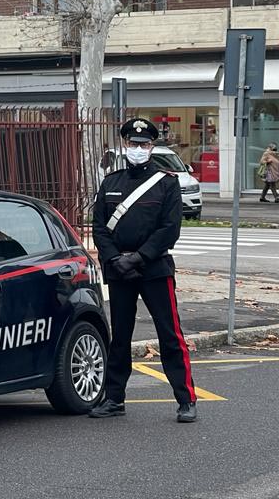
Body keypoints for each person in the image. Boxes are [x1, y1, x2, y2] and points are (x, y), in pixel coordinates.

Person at [90, 118, 198, 424]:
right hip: (118, 270)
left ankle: (186, 399)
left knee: (170, 335)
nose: (138, 149)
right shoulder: (110, 182)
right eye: (133, 144)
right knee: (120, 338)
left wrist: (137, 258)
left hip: (153, 268)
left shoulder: (166, 182)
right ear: (125, 144)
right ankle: (114, 399)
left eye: (144, 144)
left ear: (152, 147)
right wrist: (113, 260)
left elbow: (169, 229)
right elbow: (99, 228)